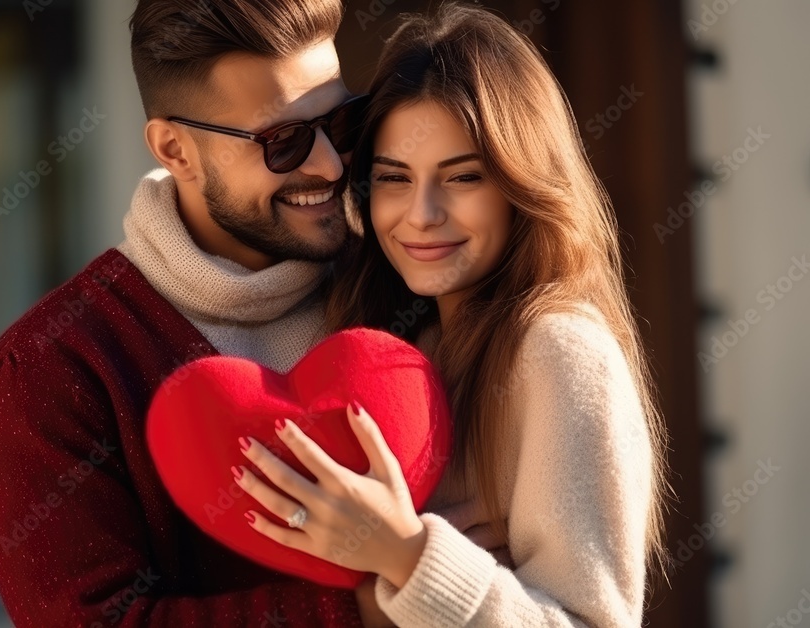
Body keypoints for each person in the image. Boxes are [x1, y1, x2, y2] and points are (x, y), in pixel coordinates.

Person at [232, 3, 671, 626]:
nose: (423, 214)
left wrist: (409, 555)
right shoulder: (396, 342)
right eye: (394, 178)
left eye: (462, 178)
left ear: (521, 185)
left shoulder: (558, 350)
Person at [0, 1, 376, 625]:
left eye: (343, 122)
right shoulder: (50, 370)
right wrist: (372, 609)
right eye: (284, 142)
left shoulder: (404, 287)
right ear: (175, 149)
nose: (330, 163)